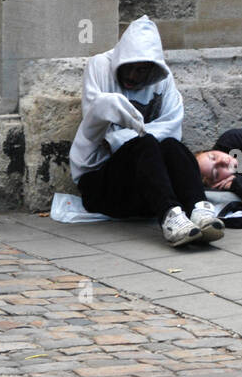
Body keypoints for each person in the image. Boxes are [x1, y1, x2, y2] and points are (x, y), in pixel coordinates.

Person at [68, 16, 224, 246]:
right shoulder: (99, 66)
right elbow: (95, 119)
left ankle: (199, 209)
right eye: (129, 68)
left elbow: (172, 126)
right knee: (147, 144)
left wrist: (124, 137)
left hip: (145, 189)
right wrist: (128, 135)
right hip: (102, 187)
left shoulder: (163, 79)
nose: (133, 76)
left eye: (141, 70)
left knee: (171, 146)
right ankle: (170, 217)